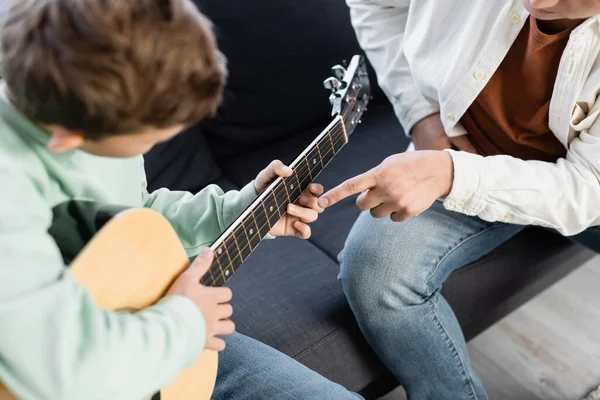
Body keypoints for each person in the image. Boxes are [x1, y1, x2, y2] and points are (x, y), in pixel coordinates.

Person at [0, 0, 360, 399]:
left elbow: (130, 218)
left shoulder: (75, 92)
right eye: (151, 137)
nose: (160, 144)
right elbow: (67, 370)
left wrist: (239, 211)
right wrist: (185, 320)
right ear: (69, 138)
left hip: (151, 325)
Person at [316, 0, 600, 399]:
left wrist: (452, 176)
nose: (537, 3)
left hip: (580, 181)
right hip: (455, 147)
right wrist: (421, 117)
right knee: (376, 273)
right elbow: (373, 3)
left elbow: (588, 188)